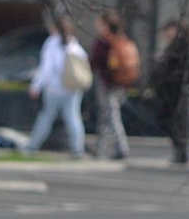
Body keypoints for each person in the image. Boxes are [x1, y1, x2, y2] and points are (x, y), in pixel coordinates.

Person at [27, 13, 90, 155]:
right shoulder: (74, 45)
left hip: (54, 89)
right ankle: (77, 149)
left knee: (46, 116)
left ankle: (32, 146)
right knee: (73, 118)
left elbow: (46, 69)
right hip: (72, 88)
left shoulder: (51, 44)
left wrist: (36, 86)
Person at [87, 11, 140, 162]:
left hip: (106, 83)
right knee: (107, 115)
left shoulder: (104, 42)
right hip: (120, 83)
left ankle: (121, 147)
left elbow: (95, 61)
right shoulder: (122, 40)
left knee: (111, 115)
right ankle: (101, 147)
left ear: (105, 25)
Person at [153, 21, 189, 166]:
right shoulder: (177, 47)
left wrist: (183, 80)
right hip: (171, 90)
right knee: (176, 122)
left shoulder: (183, 47)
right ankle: (181, 151)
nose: (166, 35)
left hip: (180, 90)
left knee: (180, 122)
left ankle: (182, 152)